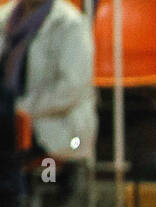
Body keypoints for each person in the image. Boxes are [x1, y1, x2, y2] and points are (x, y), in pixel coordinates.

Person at [0, 0, 94, 161]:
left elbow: (72, 88)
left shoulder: (71, 23)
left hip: (51, 125)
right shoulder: (4, 17)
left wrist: (19, 110)